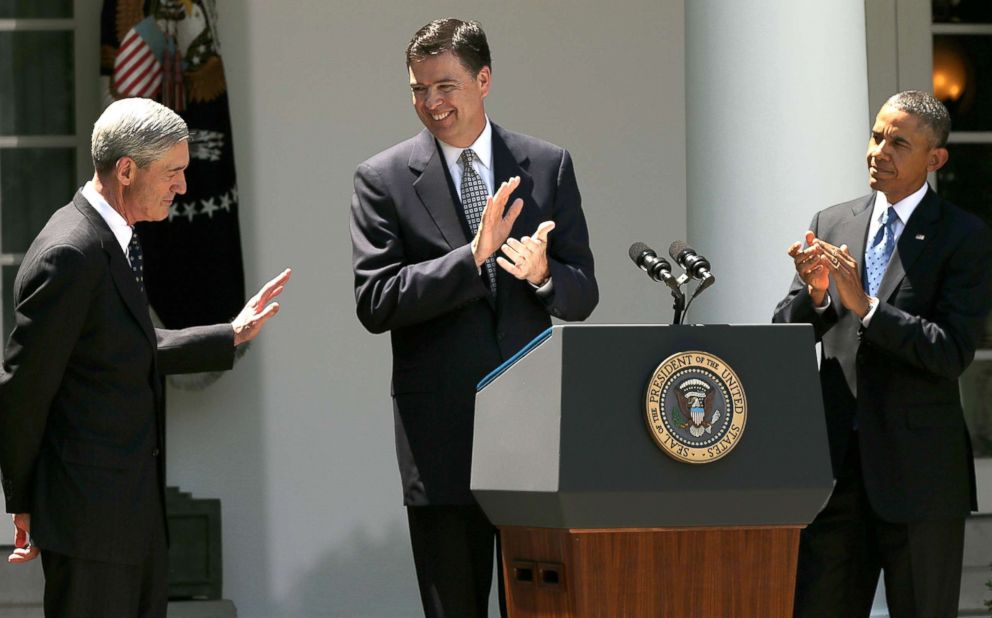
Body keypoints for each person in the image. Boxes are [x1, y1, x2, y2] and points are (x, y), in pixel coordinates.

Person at [0, 97, 291, 617]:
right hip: (88, 527)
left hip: (132, 520)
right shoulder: (70, 252)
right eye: (174, 172)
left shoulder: (114, 240)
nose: (183, 186)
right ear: (127, 169)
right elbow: (24, 387)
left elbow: (118, 347)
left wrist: (229, 333)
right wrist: (23, 501)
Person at [350, 18, 598, 618]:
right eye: (418, 89)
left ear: (483, 80)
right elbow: (376, 300)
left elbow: (583, 293)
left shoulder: (547, 165)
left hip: (533, 441)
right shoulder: (382, 180)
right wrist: (471, 258)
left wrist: (542, 275)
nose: (431, 103)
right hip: (440, 440)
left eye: (445, 86)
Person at [774, 90, 992, 617]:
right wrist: (819, 295)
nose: (880, 151)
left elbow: (950, 352)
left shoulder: (963, 236)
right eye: (876, 136)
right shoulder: (832, 222)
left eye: (899, 142)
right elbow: (785, 331)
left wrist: (869, 308)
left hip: (919, 478)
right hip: (834, 472)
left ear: (934, 159)